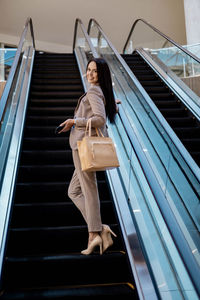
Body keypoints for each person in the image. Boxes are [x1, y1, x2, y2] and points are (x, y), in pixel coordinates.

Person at [59, 57, 118, 255]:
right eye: (89, 70)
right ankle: (101, 228)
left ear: (102, 74)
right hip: (82, 146)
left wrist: (75, 121)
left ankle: (94, 234)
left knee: (88, 189)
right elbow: (102, 110)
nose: (91, 74)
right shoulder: (101, 91)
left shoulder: (94, 90)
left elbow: (99, 119)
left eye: (95, 71)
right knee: (73, 191)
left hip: (83, 145)